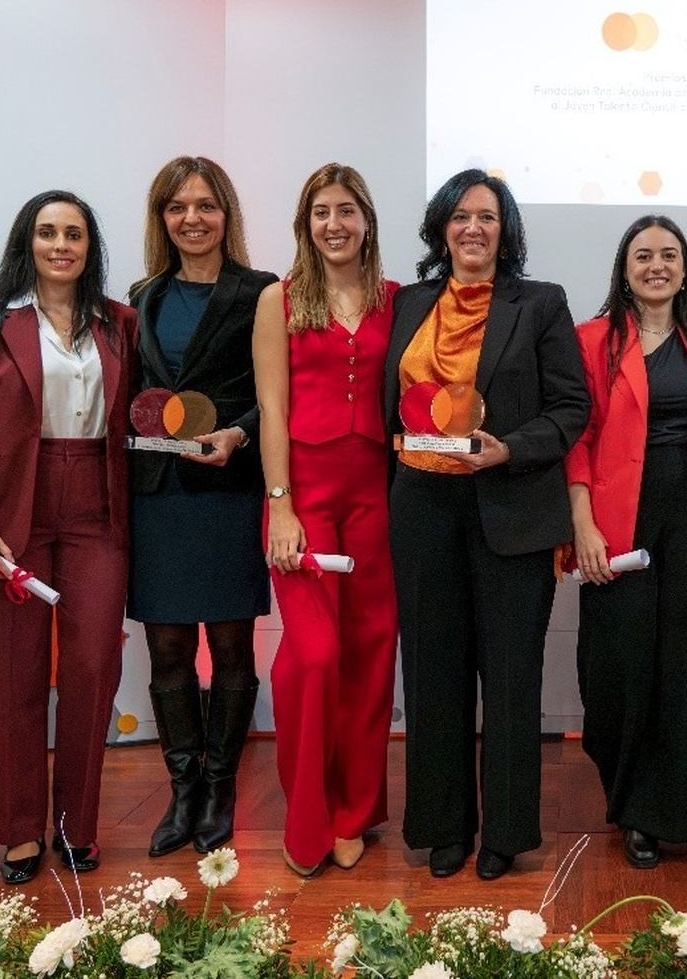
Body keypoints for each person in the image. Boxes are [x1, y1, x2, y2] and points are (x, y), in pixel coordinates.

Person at [386, 168, 589, 880]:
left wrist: (511, 448)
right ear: (441, 227)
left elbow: (570, 407)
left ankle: (504, 832)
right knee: (434, 675)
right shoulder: (409, 302)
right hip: (422, 509)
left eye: (488, 216)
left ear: (507, 230)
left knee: (510, 678)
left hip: (512, 509)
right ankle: (443, 826)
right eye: (461, 215)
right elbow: (392, 406)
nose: (474, 227)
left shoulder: (540, 303)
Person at [0, 190, 136, 883]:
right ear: (27, 241)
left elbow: (135, 421)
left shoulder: (119, 322)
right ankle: (20, 830)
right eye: (48, 232)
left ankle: (74, 827)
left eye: (75, 234)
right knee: (15, 677)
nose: (61, 245)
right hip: (9, 515)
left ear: (90, 247)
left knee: (91, 669)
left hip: (96, 511)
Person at [128, 157, 277, 857]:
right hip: (159, 495)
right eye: (178, 206)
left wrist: (240, 431)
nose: (193, 218)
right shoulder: (142, 296)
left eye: (206, 205)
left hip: (226, 490)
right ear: (163, 218)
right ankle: (182, 786)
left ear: (227, 215)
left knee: (229, 647)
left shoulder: (262, 292)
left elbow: (277, 393)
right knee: (166, 651)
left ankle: (221, 787)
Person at [253, 163, 398, 876]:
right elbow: (272, 407)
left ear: (367, 220)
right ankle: (306, 814)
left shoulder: (396, 300)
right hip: (304, 498)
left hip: (377, 496)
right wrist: (280, 504)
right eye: (320, 212)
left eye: (346, 210)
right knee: (312, 656)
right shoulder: (277, 300)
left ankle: (353, 812)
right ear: (304, 224)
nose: (333, 223)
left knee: (370, 658)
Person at [567, 215, 687, 869]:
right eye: (643, 255)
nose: (656, 264)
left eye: (669, 254)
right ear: (624, 268)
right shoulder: (592, 339)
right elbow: (575, 437)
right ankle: (626, 791)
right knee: (617, 669)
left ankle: (660, 814)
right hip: (617, 516)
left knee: (681, 666)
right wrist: (582, 523)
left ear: (684, 267)